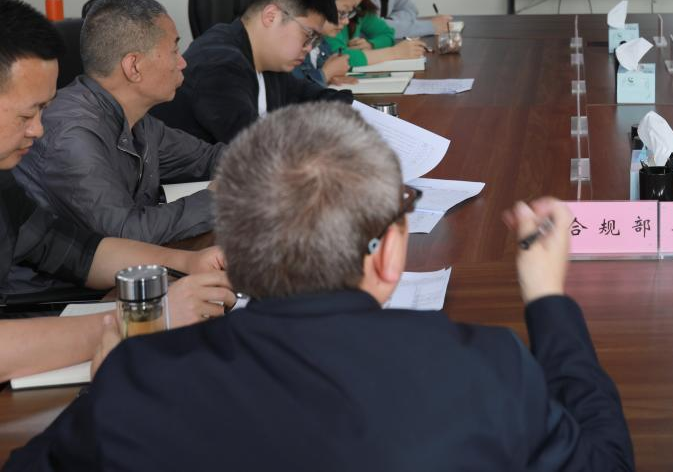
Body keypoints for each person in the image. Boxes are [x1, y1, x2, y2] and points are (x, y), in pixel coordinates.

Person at [8, 102, 636, 471]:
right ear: (391, 254)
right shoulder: (487, 371)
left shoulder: (140, 382)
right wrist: (548, 301)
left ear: (230, 252)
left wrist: (103, 391)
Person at [0, 0, 235, 384]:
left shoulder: (4, 182)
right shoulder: (69, 134)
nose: (39, 129)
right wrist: (146, 317)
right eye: (28, 114)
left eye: (43, 110)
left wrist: (188, 262)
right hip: (37, 326)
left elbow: (79, 252)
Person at [14, 0, 222, 244]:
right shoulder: (71, 136)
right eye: (174, 50)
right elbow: (125, 233)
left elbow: (208, 158)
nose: (182, 62)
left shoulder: (139, 121)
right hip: (57, 271)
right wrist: (217, 199)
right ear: (133, 66)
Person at [151, 0, 353, 145]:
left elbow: (312, 97)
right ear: (271, 17)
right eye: (309, 36)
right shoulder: (219, 65)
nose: (309, 48)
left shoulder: (267, 59)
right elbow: (257, 147)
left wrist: (356, 114)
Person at [292, 0, 360, 89]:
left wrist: (331, 77)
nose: (346, 21)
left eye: (349, 13)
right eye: (342, 13)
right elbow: (294, 91)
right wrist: (325, 74)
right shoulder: (294, 47)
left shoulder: (322, 44)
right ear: (318, 4)